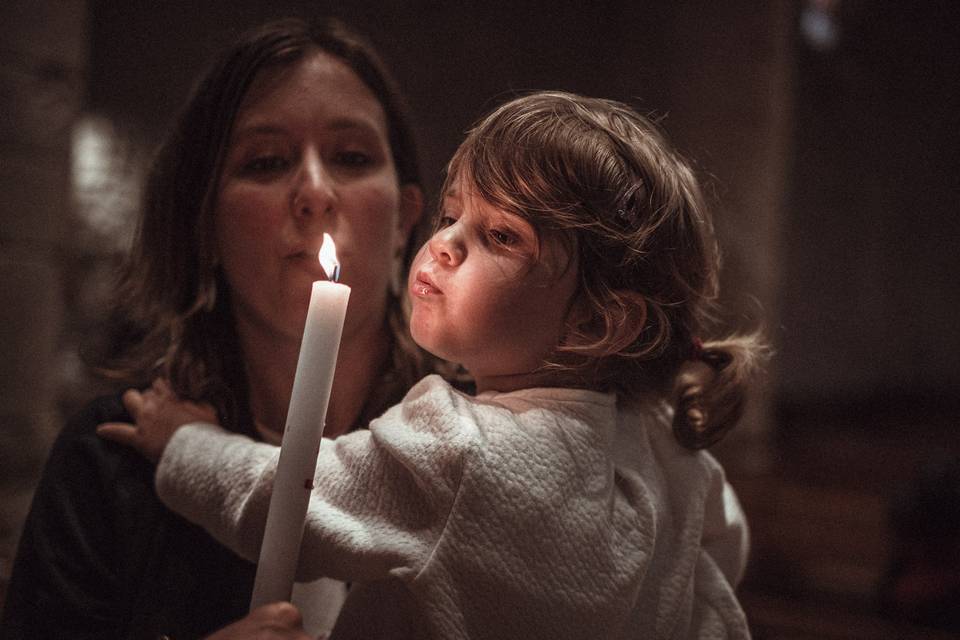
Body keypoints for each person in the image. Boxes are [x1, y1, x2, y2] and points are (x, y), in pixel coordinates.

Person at [99, 91, 764, 639]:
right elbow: (721, 555)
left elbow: (285, 498)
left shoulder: (459, 449)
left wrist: (183, 443)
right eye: (451, 217)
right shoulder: (664, 441)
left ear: (597, 322)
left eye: (499, 236)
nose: (443, 246)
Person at [0, 17, 437, 639]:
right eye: (266, 162)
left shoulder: (469, 442)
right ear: (203, 224)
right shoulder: (116, 461)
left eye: (351, 157)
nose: (314, 192)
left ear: (404, 220)